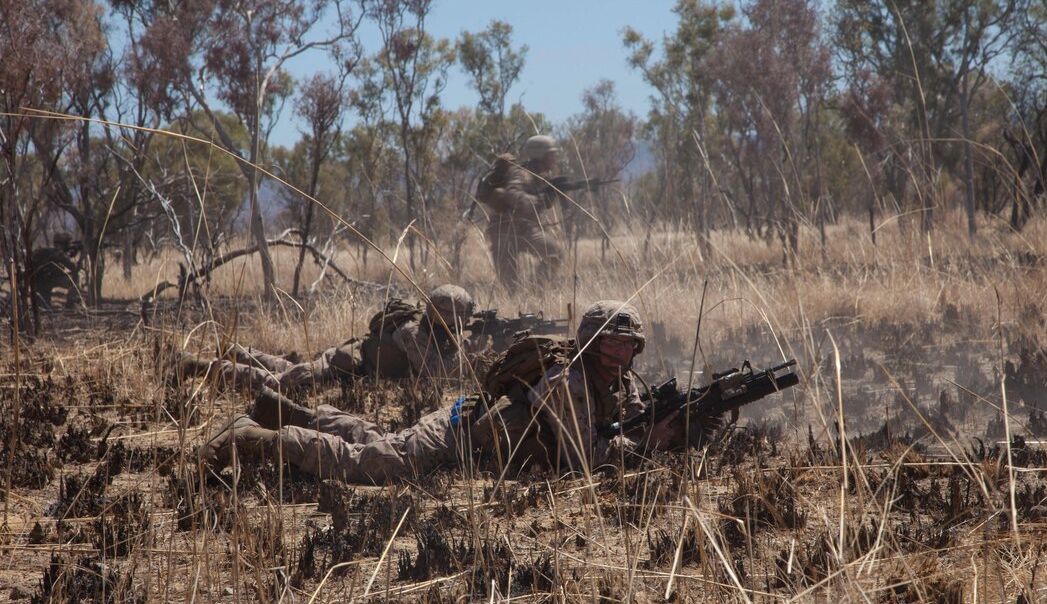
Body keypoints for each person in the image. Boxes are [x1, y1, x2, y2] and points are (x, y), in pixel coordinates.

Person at [199, 300, 692, 483]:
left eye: (628, 347)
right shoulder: (569, 381)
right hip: (455, 436)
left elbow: (629, 419)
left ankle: (283, 411)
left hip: (470, 432)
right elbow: (586, 456)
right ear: (588, 343)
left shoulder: (616, 379)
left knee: (375, 438)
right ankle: (255, 437)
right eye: (610, 343)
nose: (619, 355)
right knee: (372, 464)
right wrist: (644, 446)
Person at [175, 285, 479, 394]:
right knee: (279, 382)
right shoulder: (413, 333)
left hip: (354, 369)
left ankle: (237, 351)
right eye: (459, 319)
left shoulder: (438, 334)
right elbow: (435, 373)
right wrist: (470, 351)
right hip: (344, 363)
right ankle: (202, 366)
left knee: (284, 368)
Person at [473, 134, 564, 288]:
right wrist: (537, 200)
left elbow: (540, 202)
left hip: (523, 230)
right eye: (551, 153)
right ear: (541, 154)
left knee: (553, 253)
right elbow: (512, 194)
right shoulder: (523, 173)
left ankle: (536, 290)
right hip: (504, 232)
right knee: (511, 287)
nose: (555, 157)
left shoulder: (541, 176)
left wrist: (551, 195)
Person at [29, 232, 82, 310]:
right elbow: (73, 267)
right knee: (75, 278)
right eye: (68, 244)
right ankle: (70, 304)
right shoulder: (58, 253)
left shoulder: (45, 251)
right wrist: (78, 258)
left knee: (44, 307)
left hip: (38, 282)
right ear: (63, 244)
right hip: (49, 280)